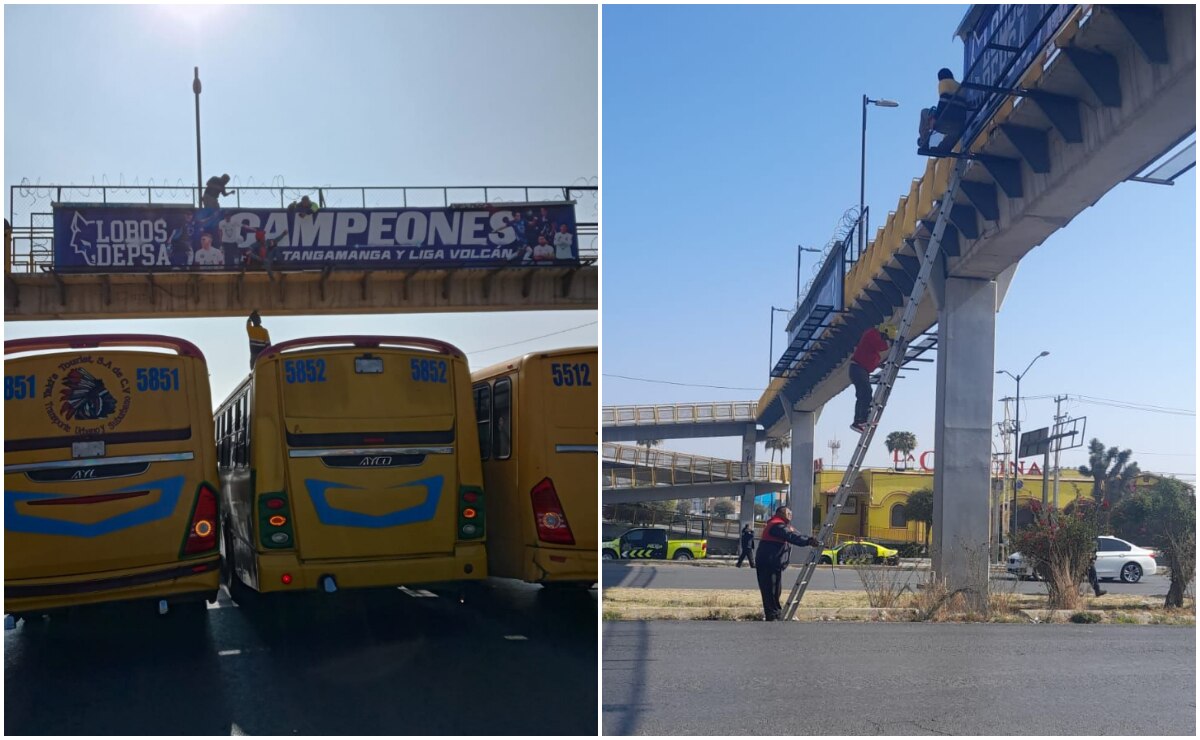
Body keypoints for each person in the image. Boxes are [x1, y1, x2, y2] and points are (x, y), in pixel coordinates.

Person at [756, 506, 820, 621]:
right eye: (788, 512)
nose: (791, 514)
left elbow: (796, 534)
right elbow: (791, 536)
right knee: (770, 588)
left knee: (775, 588)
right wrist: (808, 541)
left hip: (773, 562)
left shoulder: (783, 525)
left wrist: (809, 539)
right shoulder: (777, 525)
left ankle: (776, 612)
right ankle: (772, 614)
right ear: (780, 513)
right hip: (768, 561)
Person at [849, 321, 896, 433]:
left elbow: (870, 355)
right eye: (886, 338)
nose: (886, 341)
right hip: (858, 368)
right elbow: (880, 345)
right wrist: (890, 343)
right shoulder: (872, 334)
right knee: (865, 392)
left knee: (863, 394)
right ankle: (860, 419)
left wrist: (880, 365)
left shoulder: (872, 338)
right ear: (884, 333)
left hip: (859, 369)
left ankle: (860, 419)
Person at [919, 68, 964, 150]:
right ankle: (942, 148)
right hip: (960, 123)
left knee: (924, 112)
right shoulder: (960, 86)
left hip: (946, 120)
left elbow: (943, 100)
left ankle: (924, 141)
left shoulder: (943, 82)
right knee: (952, 134)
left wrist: (935, 118)